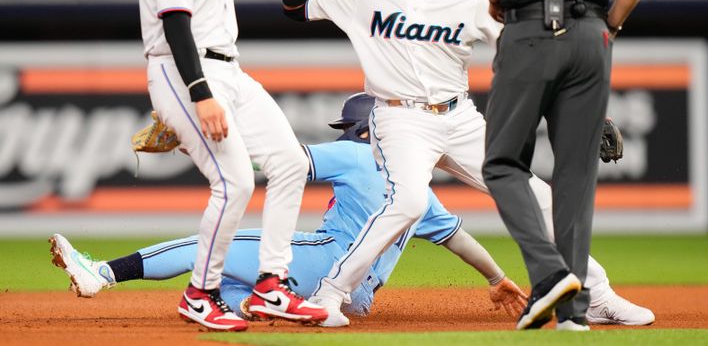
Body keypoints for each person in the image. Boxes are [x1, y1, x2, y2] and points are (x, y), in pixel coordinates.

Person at [280, 0, 652, 329]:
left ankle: (597, 296)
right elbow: (296, 5)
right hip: (401, 120)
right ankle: (329, 295)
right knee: (409, 203)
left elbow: (530, 56)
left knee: (541, 198)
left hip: (459, 118)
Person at [49, 94, 651, 326]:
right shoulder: (423, 190)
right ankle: (258, 308)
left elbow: (280, 159)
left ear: (364, 128)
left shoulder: (356, 155)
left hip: (323, 261)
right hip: (360, 296)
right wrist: (497, 280)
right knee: (236, 287)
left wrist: (199, 134)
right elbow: (459, 238)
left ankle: (101, 275)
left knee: (204, 244)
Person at [136, 0, 326, 331]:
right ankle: (200, 293)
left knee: (289, 162)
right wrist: (200, 95)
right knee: (236, 181)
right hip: (186, 69)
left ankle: (270, 287)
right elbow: (176, 23)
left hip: (230, 69)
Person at [476, 0, 650, 332]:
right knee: (575, 178)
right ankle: (573, 315)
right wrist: (609, 27)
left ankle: (548, 274)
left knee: (502, 163)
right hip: (592, 38)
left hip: (532, 29)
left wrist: (497, 4)